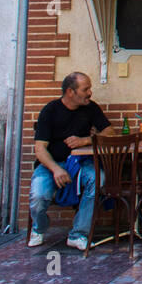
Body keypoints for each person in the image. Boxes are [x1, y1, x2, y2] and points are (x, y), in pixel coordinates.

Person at [29, 71, 111, 251]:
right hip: (50, 165)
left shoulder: (91, 108)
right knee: (38, 196)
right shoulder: (50, 111)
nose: (90, 93)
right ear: (70, 92)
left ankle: (78, 234)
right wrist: (56, 169)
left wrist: (86, 140)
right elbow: (40, 149)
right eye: (85, 89)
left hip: (80, 164)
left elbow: (109, 132)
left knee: (98, 180)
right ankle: (39, 228)